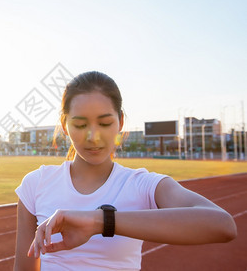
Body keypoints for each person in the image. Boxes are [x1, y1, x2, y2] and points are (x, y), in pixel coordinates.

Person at [14, 71, 237, 271]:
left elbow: (223, 225)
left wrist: (100, 221)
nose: (93, 136)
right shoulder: (36, 184)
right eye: (80, 125)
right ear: (65, 125)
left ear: (120, 122)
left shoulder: (141, 184)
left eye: (104, 123)